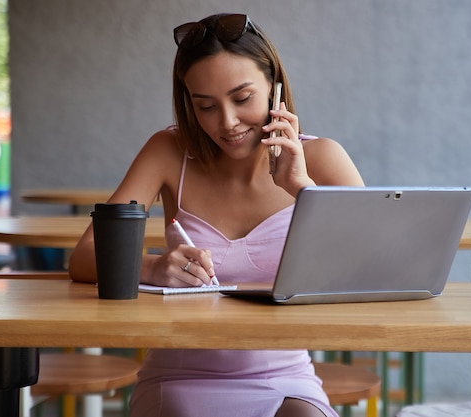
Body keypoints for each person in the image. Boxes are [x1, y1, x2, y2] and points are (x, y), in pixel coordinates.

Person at [69, 12, 364, 417]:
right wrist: (152, 268)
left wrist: (302, 189)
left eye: (242, 99)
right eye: (205, 106)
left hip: (284, 379)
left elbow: (374, 268)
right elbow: (84, 255)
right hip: (176, 376)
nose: (226, 123)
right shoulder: (169, 151)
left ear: (275, 88)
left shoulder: (322, 158)